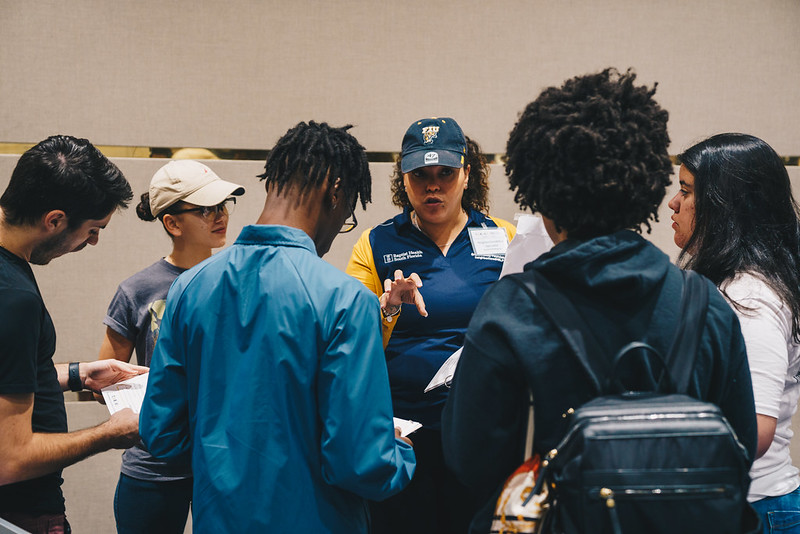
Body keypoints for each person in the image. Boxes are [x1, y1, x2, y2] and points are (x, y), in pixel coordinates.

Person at [441, 68, 759, 533]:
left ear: (542, 196)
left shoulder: (510, 311)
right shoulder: (703, 304)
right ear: (647, 186)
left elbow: (469, 459)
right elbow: (740, 448)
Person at [139, 121, 416, 533]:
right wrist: (398, 451)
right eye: (346, 215)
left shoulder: (188, 288)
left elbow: (161, 432)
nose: (339, 229)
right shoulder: (345, 299)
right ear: (335, 191)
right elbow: (360, 463)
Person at [346, 118, 516, 533]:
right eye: (420, 175)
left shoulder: (503, 237)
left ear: (467, 174)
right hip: (404, 431)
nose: (433, 186)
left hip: (480, 427)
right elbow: (349, 340)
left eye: (445, 174)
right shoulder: (375, 243)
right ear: (404, 179)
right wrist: (387, 310)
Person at [0, 135, 148, 534]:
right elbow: (10, 459)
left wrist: (76, 374)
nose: (93, 242)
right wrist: (111, 433)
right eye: (94, 229)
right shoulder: (13, 298)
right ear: (55, 220)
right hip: (21, 515)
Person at [97, 160, 245, 534]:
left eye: (223, 206)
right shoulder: (137, 290)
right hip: (154, 465)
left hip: (224, 462)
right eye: (206, 209)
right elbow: (105, 382)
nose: (220, 216)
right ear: (172, 223)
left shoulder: (240, 283)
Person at [668, 133, 800, 533]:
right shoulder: (731, 285)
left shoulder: (750, 298)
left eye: (686, 191)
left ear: (726, 206)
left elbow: (754, 430)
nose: (673, 203)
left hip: (755, 507)